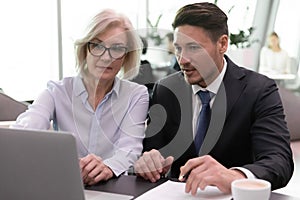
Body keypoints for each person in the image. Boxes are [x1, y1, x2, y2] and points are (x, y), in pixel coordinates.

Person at [134, 2, 293, 196]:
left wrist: (233, 177)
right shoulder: (166, 90)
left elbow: (279, 161)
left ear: (223, 44)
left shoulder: (259, 90)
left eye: (193, 48)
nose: (182, 59)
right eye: (178, 48)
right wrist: (148, 161)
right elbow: (152, 151)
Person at [11, 9, 149, 185]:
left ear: (126, 56)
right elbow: (27, 128)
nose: (106, 57)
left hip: (113, 188)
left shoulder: (136, 95)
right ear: (85, 49)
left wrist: (107, 167)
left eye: (116, 49)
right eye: (98, 45)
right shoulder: (57, 92)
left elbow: (130, 149)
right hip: (64, 185)